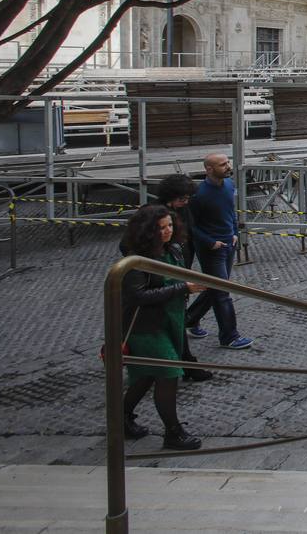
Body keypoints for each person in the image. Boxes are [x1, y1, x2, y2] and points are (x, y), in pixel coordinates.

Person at [118, 204, 206, 449]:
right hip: (147, 328)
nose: (167, 231)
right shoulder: (135, 261)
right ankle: (173, 432)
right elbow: (138, 296)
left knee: (146, 376)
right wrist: (182, 288)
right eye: (160, 228)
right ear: (147, 231)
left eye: (169, 226)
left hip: (170, 319)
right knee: (168, 374)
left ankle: (120, 418)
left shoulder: (174, 249)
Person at [146, 174, 211, 381]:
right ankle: (183, 364)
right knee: (170, 319)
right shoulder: (153, 213)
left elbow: (190, 234)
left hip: (180, 267)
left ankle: (182, 361)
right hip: (161, 275)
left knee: (176, 317)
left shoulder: (183, 210)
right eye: (182, 198)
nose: (186, 202)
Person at [186, 153, 254, 349]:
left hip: (228, 243)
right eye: (223, 164)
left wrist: (233, 232)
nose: (228, 166)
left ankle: (190, 318)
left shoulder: (229, 184)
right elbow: (191, 225)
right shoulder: (199, 194)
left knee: (215, 287)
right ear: (209, 169)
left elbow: (231, 211)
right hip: (212, 249)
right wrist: (210, 242)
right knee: (222, 291)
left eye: (227, 163)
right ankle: (229, 336)